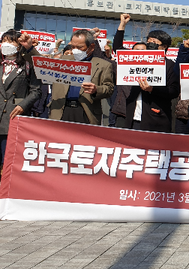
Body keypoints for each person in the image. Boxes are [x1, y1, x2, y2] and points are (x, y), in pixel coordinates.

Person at [112, 14, 179, 132]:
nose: (149, 45)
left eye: (153, 43)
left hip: (155, 118)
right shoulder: (139, 59)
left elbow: (173, 91)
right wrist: (122, 25)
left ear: (164, 47)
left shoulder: (169, 65)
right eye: (148, 42)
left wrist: (153, 89)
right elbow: (118, 48)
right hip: (132, 115)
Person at [48, 29, 114, 125]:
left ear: (91, 47)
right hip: (61, 110)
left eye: (80, 47)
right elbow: (38, 62)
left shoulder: (103, 65)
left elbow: (109, 88)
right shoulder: (63, 60)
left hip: (86, 112)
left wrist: (96, 90)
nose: (75, 50)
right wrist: (28, 48)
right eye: (73, 47)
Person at [0, 30, 41, 171]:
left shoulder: (28, 65)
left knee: (9, 159)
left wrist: (23, 105)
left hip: (13, 115)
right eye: (3, 41)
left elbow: (36, 91)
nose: (6, 44)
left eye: (10, 41)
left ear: (19, 45)